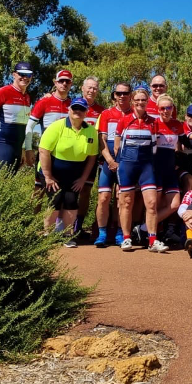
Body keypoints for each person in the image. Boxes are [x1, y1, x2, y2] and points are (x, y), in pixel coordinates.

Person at [37, 97, 99, 247]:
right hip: (52, 171)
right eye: (75, 108)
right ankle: (48, 234)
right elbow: (43, 151)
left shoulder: (91, 131)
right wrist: (48, 176)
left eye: (82, 109)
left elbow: (92, 158)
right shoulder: (57, 126)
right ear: (69, 110)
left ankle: (67, 235)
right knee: (55, 200)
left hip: (75, 175)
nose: (78, 111)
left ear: (86, 112)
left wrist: (83, 179)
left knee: (71, 201)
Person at [114, 88, 168, 253]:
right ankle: (126, 238)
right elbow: (117, 146)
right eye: (137, 100)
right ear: (132, 101)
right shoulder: (124, 120)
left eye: (143, 100)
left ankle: (152, 240)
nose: (140, 103)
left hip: (146, 166)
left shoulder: (153, 122)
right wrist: (120, 166)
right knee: (126, 203)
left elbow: (155, 147)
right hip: (127, 165)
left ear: (147, 102)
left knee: (152, 203)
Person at [93, 83, 133, 247]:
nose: (122, 96)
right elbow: (101, 140)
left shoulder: (134, 115)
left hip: (126, 164)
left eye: (125, 93)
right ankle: (102, 233)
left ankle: (118, 232)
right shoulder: (106, 114)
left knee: (121, 199)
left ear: (130, 95)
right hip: (107, 163)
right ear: (114, 95)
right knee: (103, 198)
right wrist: (110, 160)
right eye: (119, 93)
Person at [0, 61, 33, 170]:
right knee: (0, 181)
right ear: (14, 75)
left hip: (17, 146)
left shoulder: (27, 97)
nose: (25, 78)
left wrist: (23, 149)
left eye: (28, 75)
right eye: (21, 74)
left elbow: (24, 124)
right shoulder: (2, 92)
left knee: (10, 182)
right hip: (2, 143)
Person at [154, 95, 189, 244]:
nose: (166, 111)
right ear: (158, 109)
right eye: (162, 108)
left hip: (170, 171)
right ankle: (152, 235)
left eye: (169, 107)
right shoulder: (153, 124)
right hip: (155, 170)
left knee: (174, 204)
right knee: (155, 205)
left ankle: (143, 227)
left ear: (173, 109)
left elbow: (187, 142)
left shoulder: (178, 125)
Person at [76, 76, 106, 239]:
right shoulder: (72, 104)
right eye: (89, 87)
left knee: (86, 191)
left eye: (95, 88)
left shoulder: (102, 110)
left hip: (91, 157)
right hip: (72, 157)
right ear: (82, 88)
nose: (92, 90)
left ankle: (78, 227)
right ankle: (59, 226)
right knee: (67, 190)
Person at [24, 69, 72, 169]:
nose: (64, 83)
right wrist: (28, 149)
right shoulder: (44, 101)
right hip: (46, 151)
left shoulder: (73, 105)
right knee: (41, 184)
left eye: (67, 81)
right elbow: (29, 126)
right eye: (61, 81)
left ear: (71, 84)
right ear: (55, 82)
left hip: (67, 154)